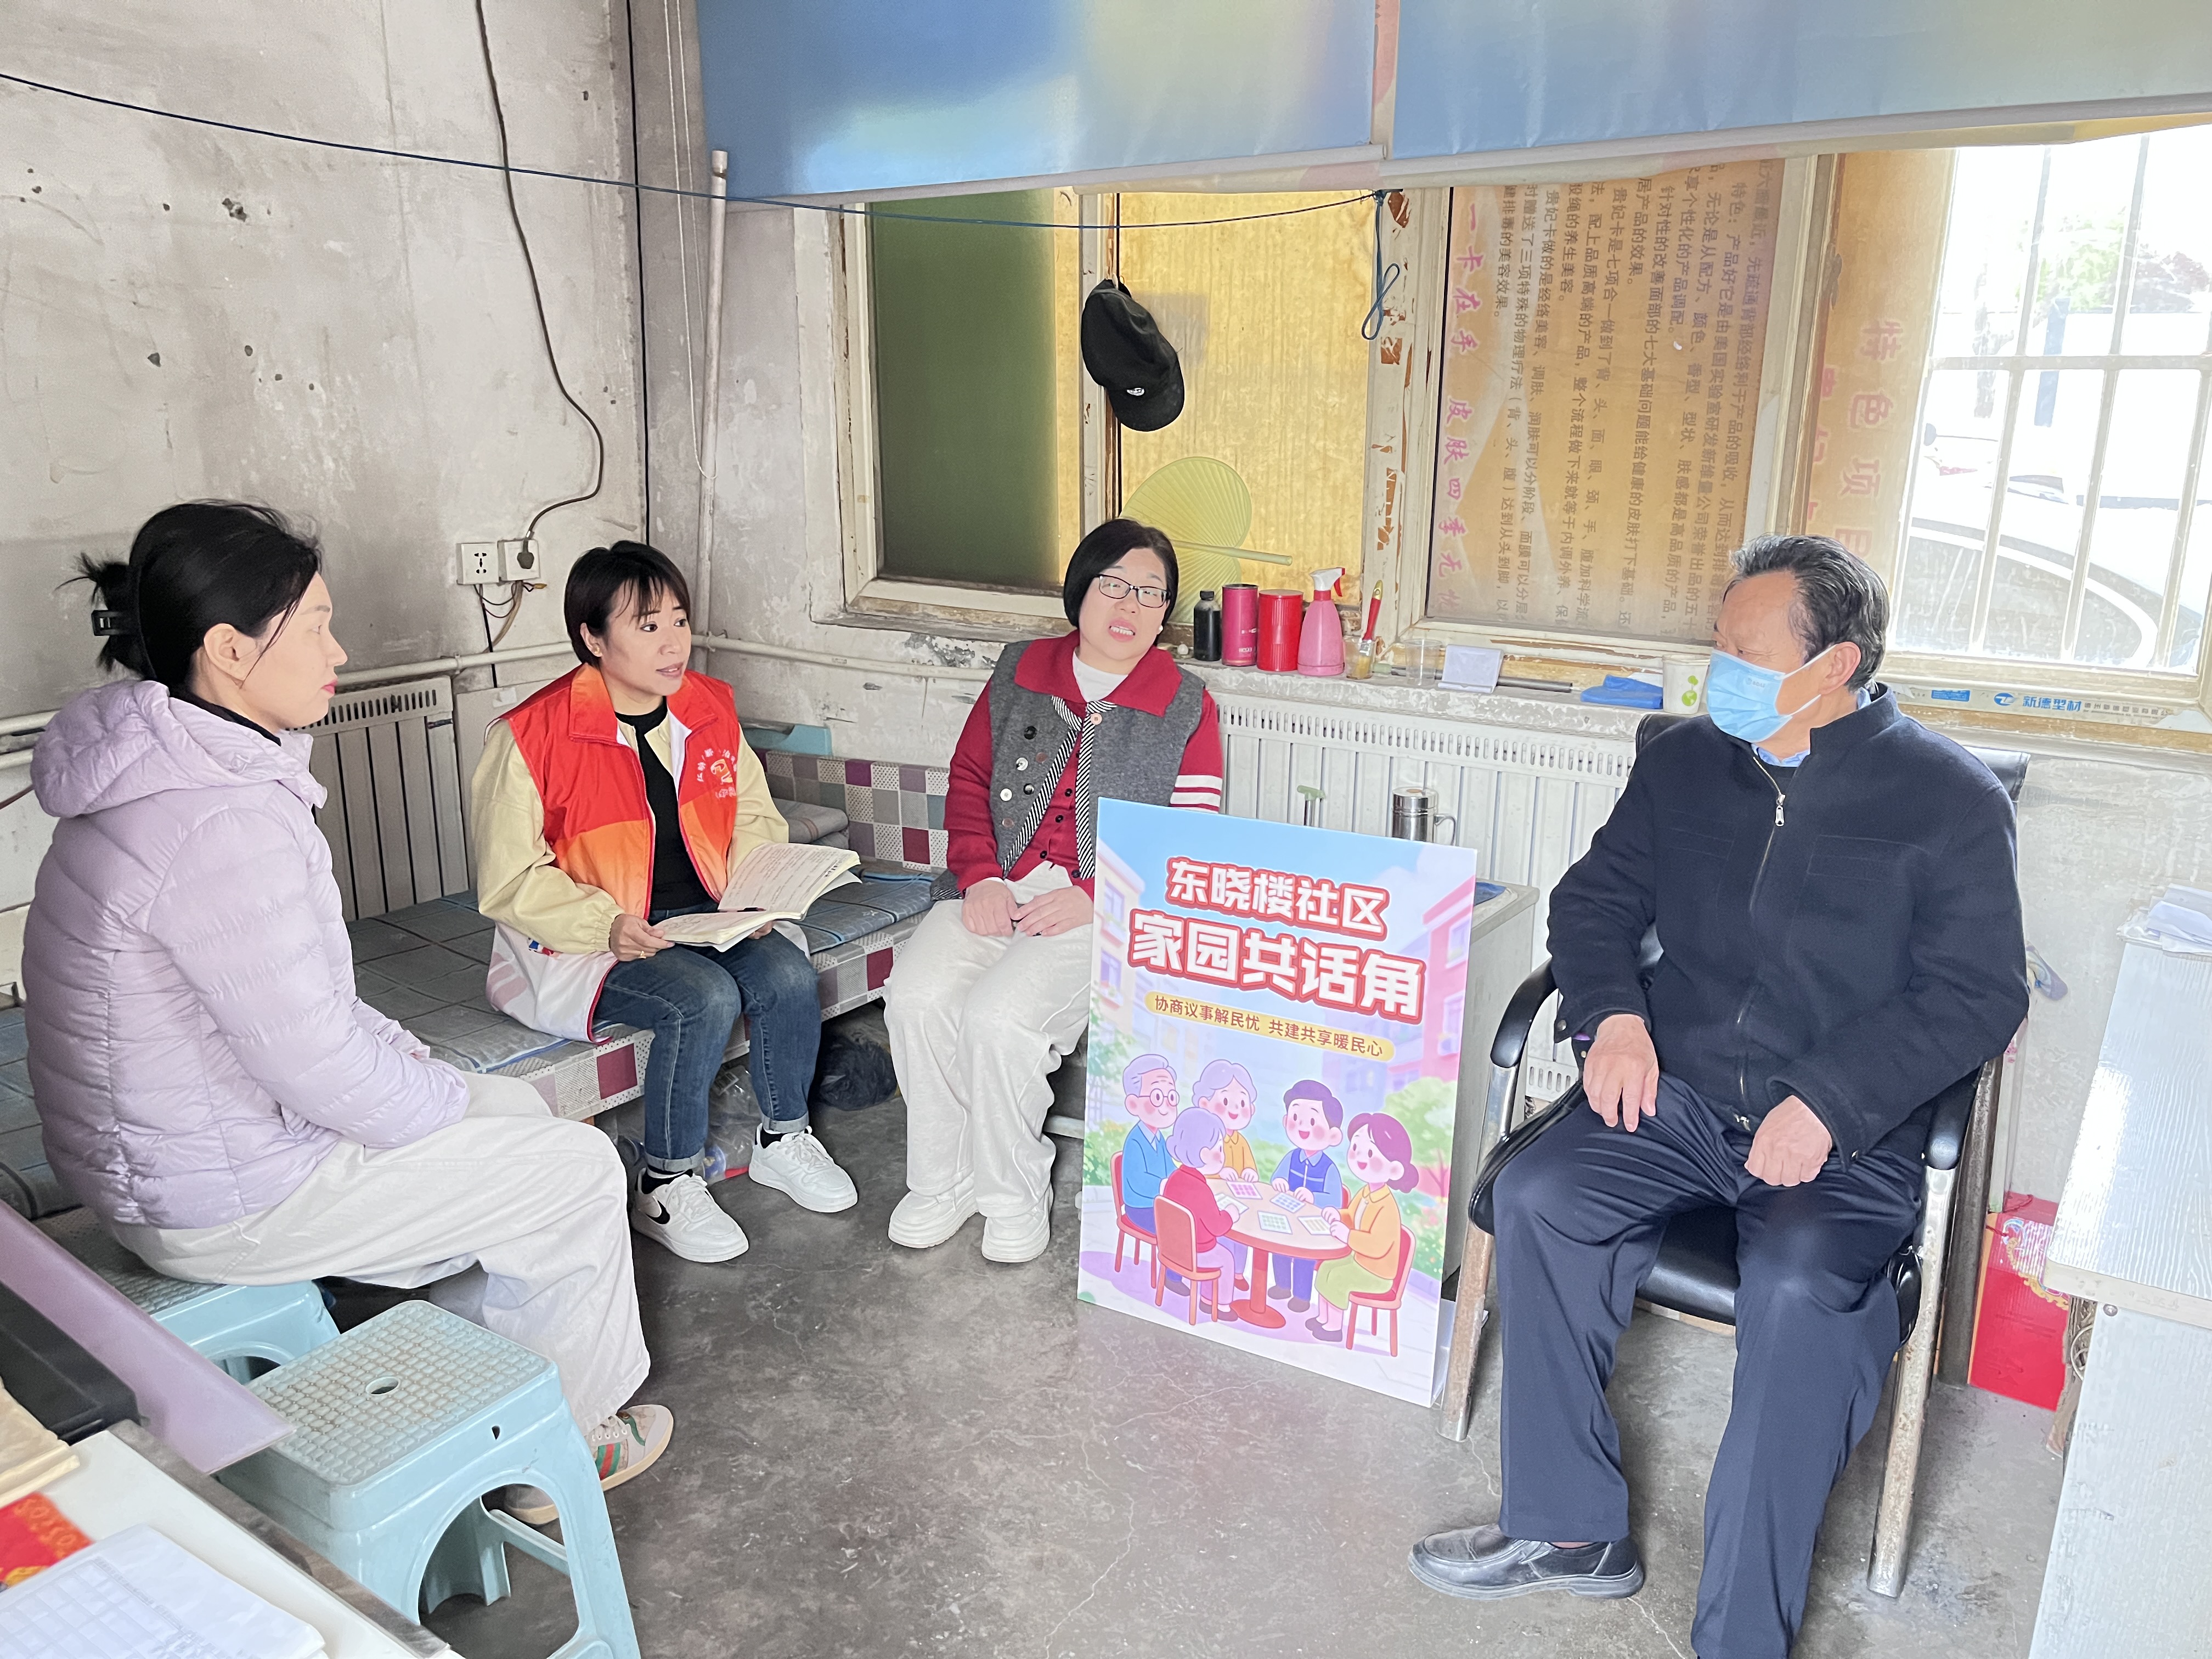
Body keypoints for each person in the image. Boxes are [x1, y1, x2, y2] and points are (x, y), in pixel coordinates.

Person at [1409, 535, 2028, 1658]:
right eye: (1717, 646)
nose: (1717, 674)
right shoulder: (1688, 763)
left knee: (1798, 1292)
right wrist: (1614, 1016)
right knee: (1543, 1194)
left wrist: (1830, 1101)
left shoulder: (1948, 799)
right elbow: (1594, 903)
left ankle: (1741, 1634)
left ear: (1834, 664)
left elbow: (1976, 995)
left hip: (1843, 1136)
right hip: (1681, 1097)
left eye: (1745, 652)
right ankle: (1570, 1530)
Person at [24, 503, 671, 1521]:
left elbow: (306, 1012)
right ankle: (561, 1451)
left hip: (164, 1157)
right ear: (230, 650)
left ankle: (482, 1386)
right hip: (220, 1197)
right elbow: (318, 1062)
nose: (340, 651)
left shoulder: (153, 767)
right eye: (318, 626)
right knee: (576, 1171)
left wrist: (432, 1080)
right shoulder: (222, 820)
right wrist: (432, 1101)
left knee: (513, 1115)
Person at [471, 541, 854, 1267]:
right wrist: (606, 925)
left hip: (710, 914)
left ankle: (783, 1139)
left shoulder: (708, 707)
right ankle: (666, 1182)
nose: (674, 642)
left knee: (786, 975)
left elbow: (752, 814)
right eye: (648, 626)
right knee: (702, 998)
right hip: (596, 935)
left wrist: (756, 896)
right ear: (592, 637)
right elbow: (510, 879)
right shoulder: (531, 735)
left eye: (678, 620)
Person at [882, 519, 1223, 1263]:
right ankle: (945, 1181)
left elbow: (1188, 836)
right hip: (993, 884)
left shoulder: (1187, 704)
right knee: (915, 999)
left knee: (1000, 1020)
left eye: (1151, 593)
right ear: (1080, 590)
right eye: (1113, 585)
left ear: (1165, 613)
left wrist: (1100, 894)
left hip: (1103, 904)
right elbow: (970, 778)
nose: (1130, 605)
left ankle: (1012, 1193)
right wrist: (980, 876)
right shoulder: (1021, 670)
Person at [1309, 1112, 1415, 1342]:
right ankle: (1323, 1318)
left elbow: (1377, 1246)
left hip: (1377, 1273)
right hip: (1359, 1261)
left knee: (1338, 1279)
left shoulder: (1387, 1207)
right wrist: (1338, 1215)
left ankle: (1334, 1328)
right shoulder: (1366, 1192)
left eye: (1369, 1153)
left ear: (1394, 1169)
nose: (1359, 1157)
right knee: (1326, 1268)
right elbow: (1352, 1215)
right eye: (1356, 1147)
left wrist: (1348, 1236)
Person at [1157, 1108, 1244, 1322]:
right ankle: (1218, 1305)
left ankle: (1208, 1298)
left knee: (1218, 1248)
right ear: (1204, 1154)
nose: (1223, 1155)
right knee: (1226, 1258)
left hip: (1172, 1247)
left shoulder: (1175, 1178)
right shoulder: (1201, 1190)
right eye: (1219, 1149)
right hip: (1195, 1252)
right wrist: (1230, 1214)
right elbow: (1218, 1226)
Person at [1267, 1080, 1346, 1312]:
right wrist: (1279, 1182)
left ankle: (1302, 1296)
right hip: (1287, 1218)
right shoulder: (1291, 1157)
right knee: (1279, 1246)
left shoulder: (1329, 1168)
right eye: (1295, 1118)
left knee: (1304, 1255)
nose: (1303, 1127)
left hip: (1313, 1226)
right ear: (1286, 1121)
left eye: (1312, 1121)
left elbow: (1335, 1201)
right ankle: (1283, 1285)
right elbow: (1277, 1178)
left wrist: (1314, 1197)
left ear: (1333, 1136)